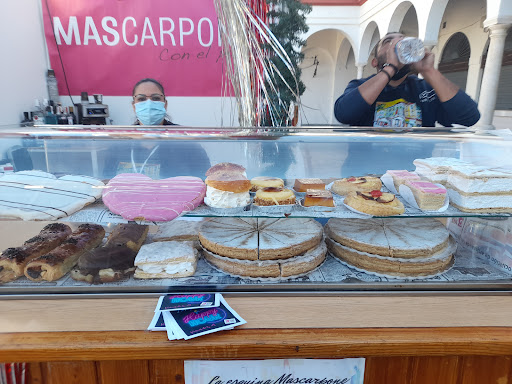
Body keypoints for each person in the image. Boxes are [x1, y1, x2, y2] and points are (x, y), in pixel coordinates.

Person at [334, 33, 480, 127]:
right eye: (388, 41)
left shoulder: (426, 90)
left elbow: (470, 117)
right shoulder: (359, 86)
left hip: (415, 172)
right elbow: (344, 114)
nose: (396, 44)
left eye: (402, 40)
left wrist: (428, 70)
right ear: (375, 62)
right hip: (367, 173)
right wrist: (391, 67)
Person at [103, 78, 211, 179]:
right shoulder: (120, 143)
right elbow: (107, 178)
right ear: (134, 105)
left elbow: (204, 179)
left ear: (165, 104)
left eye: (155, 98)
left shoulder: (185, 140)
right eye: (141, 99)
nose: (149, 103)